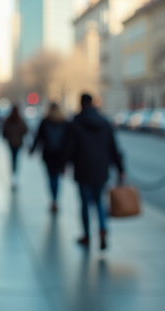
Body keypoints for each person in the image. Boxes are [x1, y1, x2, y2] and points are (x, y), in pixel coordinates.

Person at [67, 93, 124, 250]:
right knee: (99, 200)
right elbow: (113, 148)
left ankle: (86, 235)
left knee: (85, 203)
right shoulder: (104, 122)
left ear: (81, 103)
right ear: (92, 103)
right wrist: (120, 169)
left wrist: (64, 164)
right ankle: (103, 228)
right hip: (101, 169)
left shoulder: (75, 122)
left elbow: (69, 148)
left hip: (82, 169)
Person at [30, 102, 68, 213]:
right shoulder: (64, 122)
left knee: (51, 177)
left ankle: (53, 200)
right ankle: (55, 200)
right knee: (57, 177)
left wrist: (32, 149)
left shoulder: (45, 121)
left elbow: (38, 137)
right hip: (60, 155)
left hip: (48, 154)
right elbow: (68, 141)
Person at [1, 105, 28, 190]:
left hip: (11, 143)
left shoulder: (8, 120)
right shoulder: (20, 120)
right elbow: (25, 130)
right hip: (18, 143)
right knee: (16, 158)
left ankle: (13, 174)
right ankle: (15, 175)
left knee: (13, 158)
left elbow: (4, 132)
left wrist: (9, 136)